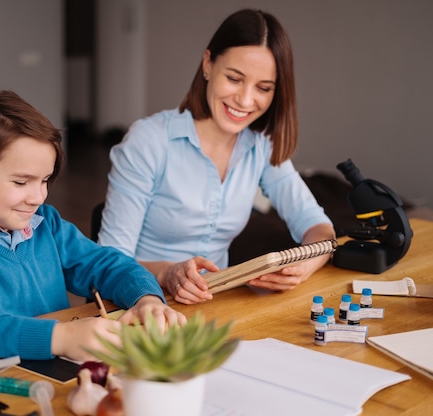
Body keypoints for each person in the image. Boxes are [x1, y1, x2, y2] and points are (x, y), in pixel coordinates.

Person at [0, 90, 185, 362]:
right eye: (21, 182)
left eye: (45, 181)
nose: (38, 197)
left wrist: (146, 298)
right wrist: (58, 338)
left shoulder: (46, 225)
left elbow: (106, 264)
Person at [98, 9, 335, 305]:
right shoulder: (149, 141)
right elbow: (109, 262)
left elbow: (317, 226)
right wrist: (167, 273)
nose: (246, 100)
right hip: (141, 302)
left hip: (215, 306)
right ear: (208, 64)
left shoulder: (262, 144)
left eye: (264, 88)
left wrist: (306, 264)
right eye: (235, 79)